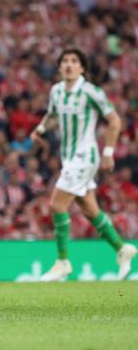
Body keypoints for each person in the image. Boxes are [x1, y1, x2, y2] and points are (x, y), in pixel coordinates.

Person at [30, 48, 136, 281]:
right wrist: (40, 129)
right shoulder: (56, 91)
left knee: (58, 204)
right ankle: (121, 249)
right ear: (59, 67)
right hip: (68, 157)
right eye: (65, 61)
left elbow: (114, 120)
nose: (69, 64)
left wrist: (108, 152)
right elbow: (52, 115)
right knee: (89, 209)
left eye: (74, 61)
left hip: (85, 157)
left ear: (82, 68)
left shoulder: (90, 92)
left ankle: (62, 261)